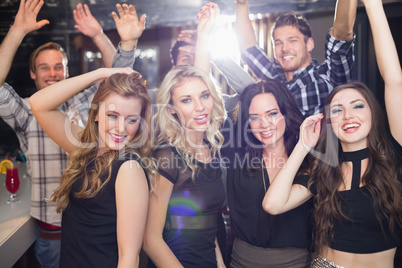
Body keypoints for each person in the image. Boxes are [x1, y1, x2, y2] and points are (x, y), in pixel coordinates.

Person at [0, 1, 143, 266]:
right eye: (44, 67)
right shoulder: (26, 113)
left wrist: (116, 42)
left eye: (58, 67)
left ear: (67, 72)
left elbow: (119, 84)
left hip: (100, 242)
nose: (52, 73)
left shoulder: (86, 109)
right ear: (33, 73)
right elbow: (39, 102)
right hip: (55, 234)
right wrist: (17, 31)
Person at [262, 0, 402, 267]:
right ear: (329, 122)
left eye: (357, 106)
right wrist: (304, 145)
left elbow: (395, 81)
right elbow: (273, 205)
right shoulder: (325, 169)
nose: (348, 115)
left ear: (373, 113)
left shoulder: (394, 156)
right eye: (337, 111)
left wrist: (373, 6)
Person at [29, 67, 151, 267]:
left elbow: (129, 257)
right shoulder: (85, 148)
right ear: (95, 114)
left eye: (131, 119)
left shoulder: (129, 169)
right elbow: (38, 103)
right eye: (112, 115)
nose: (121, 128)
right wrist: (101, 73)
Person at [219, 78, 313, 267]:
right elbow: (206, 102)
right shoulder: (235, 152)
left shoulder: (310, 162)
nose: (264, 124)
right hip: (240, 262)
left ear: (285, 113)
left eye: (272, 113)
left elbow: (273, 205)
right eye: (254, 117)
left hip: (295, 264)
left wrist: (302, 147)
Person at [143, 66, 227, 267]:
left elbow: (206, 220)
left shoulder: (212, 150)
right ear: (172, 109)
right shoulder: (168, 157)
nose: (200, 107)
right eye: (187, 100)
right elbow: (150, 240)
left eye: (204, 96)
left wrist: (220, 264)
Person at [235, 0, 356, 117]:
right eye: (278, 43)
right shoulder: (273, 78)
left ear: (309, 44)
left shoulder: (327, 77)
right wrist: (241, 3)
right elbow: (248, 48)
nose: (284, 49)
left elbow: (340, 37)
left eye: (292, 40)